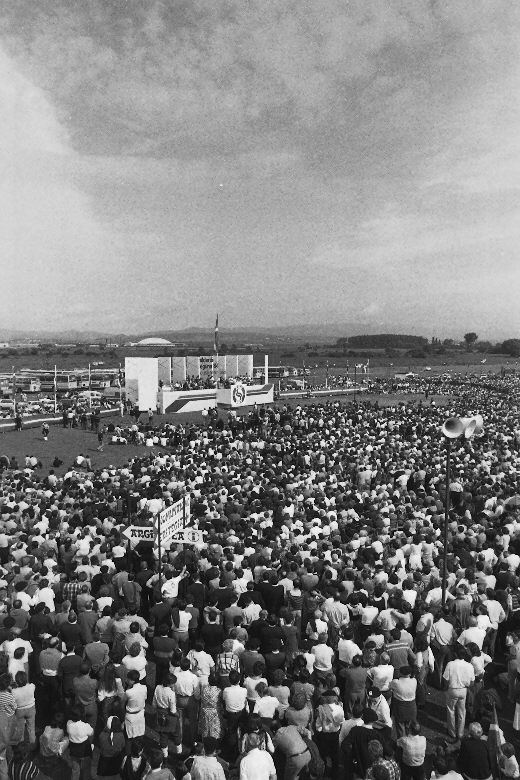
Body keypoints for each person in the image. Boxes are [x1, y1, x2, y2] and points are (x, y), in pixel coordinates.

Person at [66, 707, 94, 780]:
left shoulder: (68, 723)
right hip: (85, 750)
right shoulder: (84, 725)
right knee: (86, 770)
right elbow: (91, 732)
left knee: (75, 770)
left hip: (73, 749)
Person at [97, 716, 126, 780]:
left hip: (103, 763)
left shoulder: (102, 735)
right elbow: (123, 746)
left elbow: (100, 745)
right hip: (116, 762)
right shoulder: (121, 736)